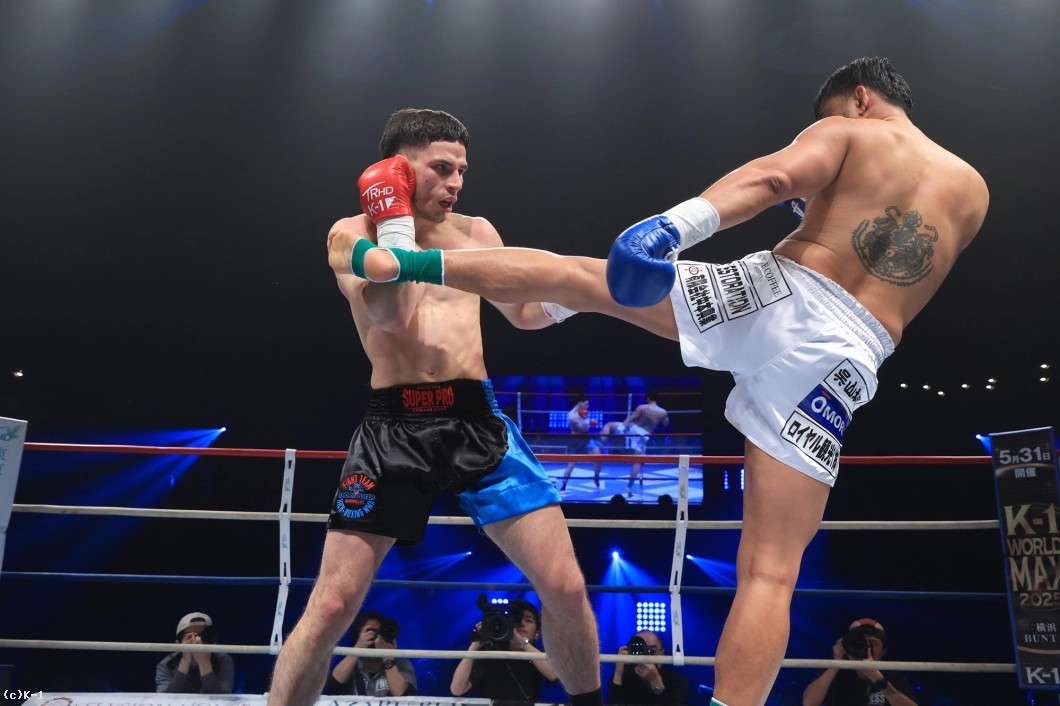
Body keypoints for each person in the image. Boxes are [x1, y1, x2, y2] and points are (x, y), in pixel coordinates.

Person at [337, 58, 989, 706]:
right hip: (847, 361)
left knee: (577, 277)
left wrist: (673, 227)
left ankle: (408, 262)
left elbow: (771, 179)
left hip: (781, 297)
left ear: (859, 97)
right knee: (771, 575)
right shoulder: (973, 191)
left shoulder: (852, 130)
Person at [269, 108, 603, 706]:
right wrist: (394, 221)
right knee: (334, 604)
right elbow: (393, 315)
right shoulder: (350, 233)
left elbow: (524, 313)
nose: (456, 183)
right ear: (398, 168)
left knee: (565, 587)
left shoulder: (477, 232)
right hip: (393, 428)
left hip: (477, 422)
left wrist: (584, 297)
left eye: (462, 171)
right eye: (442, 168)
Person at [450, 597, 559, 703]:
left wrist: (520, 640)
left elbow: (552, 674)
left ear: (537, 632)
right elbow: (457, 689)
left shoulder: (539, 656)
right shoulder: (489, 655)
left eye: (528, 620)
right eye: (516, 619)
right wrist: (474, 646)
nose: (521, 623)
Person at [801, 619, 918, 706]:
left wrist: (879, 681)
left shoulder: (891, 675)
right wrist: (836, 663)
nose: (866, 648)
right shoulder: (835, 672)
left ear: (884, 650)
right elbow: (809, 703)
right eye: (859, 643)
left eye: (872, 643)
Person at [324, 611, 417, 696]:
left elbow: (407, 698)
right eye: (371, 632)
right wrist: (357, 649)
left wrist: (388, 657)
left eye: (379, 632)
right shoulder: (350, 665)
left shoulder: (401, 664)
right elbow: (332, 687)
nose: (376, 638)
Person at [155, 612, 235, 694]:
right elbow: (164, 699)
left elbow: (222, 699)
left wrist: (204, 663)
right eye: (191, 637)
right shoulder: (166, 664)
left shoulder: (223, 661)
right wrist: (185, 661)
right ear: (178, 643)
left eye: (204, 636)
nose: (198, 641)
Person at [608, 630, 689, 706]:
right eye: (640, 650)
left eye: (651, 651)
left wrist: (655, 681)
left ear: (662, 654)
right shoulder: (625, 679)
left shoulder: (677, 681)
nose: (646, 656)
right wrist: (618, 673)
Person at [621, 392, 670, 497]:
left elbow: (630, 418)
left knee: (613, 426)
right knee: (638, 461)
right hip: (643, 435)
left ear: (648, 398)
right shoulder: (662, 412)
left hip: (632, 430)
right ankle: (629, 486)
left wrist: (621, 428)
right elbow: (666, 424)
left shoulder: (642, 407)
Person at [560, 398, 604, 491]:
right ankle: (563, 484)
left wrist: (588, 420)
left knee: (599, 458)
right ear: (580, 403)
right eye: (586, 404)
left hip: (586, 439)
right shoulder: (572, 415)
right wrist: (589, 422)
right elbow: (583, 428)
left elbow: (585, 428)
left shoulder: (582, 411)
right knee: (571, 464)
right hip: (575, 441)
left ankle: (596, 477)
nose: (588, 406)